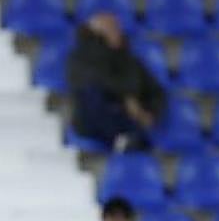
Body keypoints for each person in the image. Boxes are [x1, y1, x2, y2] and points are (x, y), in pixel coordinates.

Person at [67, 13, 168, 152]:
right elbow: (95, 80)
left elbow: (155, 90)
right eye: (109, 28)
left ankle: (127, 139)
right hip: (93, 122)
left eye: (116, 27)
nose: (116, 31)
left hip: (128, 118)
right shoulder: (79, 58)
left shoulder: (131, 61)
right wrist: (126, 99)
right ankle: (121, 137)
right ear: (96, 34)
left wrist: (150, 113)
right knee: (92, 94)